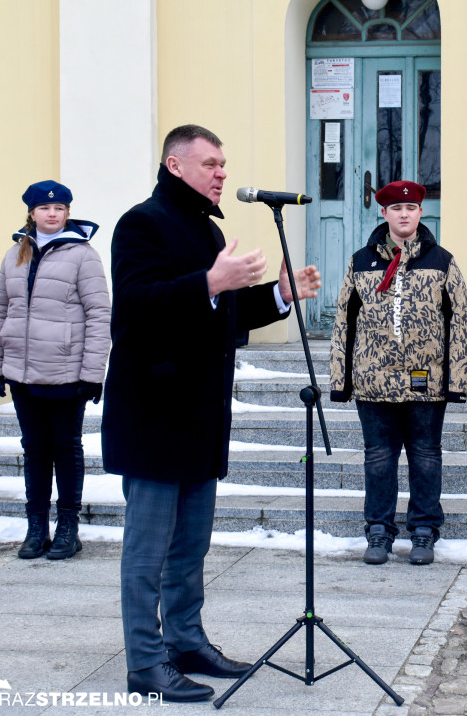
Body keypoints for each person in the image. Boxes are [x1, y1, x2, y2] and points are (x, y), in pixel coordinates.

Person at [101, 125, 320, 703]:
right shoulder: (142, 223)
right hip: (153, 415)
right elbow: (139, 306)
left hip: (197, 418)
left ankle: (187, 642)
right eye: (211, 163)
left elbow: (216, 314)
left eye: (224, 163)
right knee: (147, 551)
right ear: (176, 166)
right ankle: (146, 664)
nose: (222, 172)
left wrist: (277, 295)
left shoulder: (203, 228)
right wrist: (210, 281)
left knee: (191, 546)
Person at [329, 180, 467, 566]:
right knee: (378, 459)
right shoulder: (361, 261)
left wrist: (457, 381)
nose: (404, 214)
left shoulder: (441, 260)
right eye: (396, 209)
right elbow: (344, 319)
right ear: (384, 213)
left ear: (421, 213)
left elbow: (460, 320)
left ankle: (424, 531)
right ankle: (379, 532)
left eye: (411, 208)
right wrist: (340, 380)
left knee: (425, 458)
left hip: (426, 381)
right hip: (373, 382)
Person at [0, 180, 111, 561]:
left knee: (66, 448)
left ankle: (68, 527)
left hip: (66, 372)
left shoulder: (83, 255)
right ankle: (36, 526)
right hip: (21, 373)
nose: (52, 214)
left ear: (68, 212)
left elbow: (99, 314)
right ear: (32, 213)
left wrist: (93, 372)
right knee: (35, 450)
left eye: (59, 208)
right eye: (44, 209)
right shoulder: (14, 255)